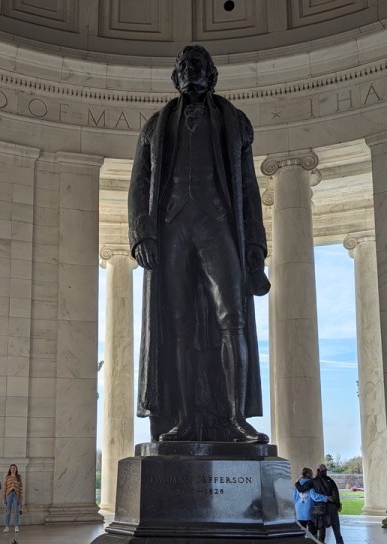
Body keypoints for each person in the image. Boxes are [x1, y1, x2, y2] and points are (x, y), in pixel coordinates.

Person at [128, 44, 269, 444]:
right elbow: (138, 184)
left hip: (218, 226)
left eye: (198, 64)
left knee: (232, 319)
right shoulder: (155, 125)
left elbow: (248, 187)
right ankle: (185, 419)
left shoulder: (234, 122)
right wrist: (141, 232)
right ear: (176, 76)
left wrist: (255, 247)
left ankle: (234, 418)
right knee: (178, 327)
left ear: (211, 74)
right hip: (171, 229)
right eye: (184, 65)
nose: (190, 70)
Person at [312, 464, 345, 544]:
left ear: (317, 471)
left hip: (320, 508)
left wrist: (298, 482)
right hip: (331, 508)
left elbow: (302, 488)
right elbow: (335, 494)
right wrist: (338, 505)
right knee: (336, 530)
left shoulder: (313, 481)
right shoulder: (330, 481)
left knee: (321, 531)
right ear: (325, 471)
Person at [293, 467, 315, 532]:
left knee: (301, 532)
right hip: (309, 510)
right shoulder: (312, 484)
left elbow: (294, 497)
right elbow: (314, 496)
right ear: (310, 474)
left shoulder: (297, 484)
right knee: (312, 532)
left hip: (299, 510)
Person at [2, 464, 23, 533]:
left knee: (16, 511)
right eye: (11, 468)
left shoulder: (18, 477)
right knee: (8, 511)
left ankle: (16, 526)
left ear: (16, 469)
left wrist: (21, 497)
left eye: (14, 468)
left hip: (16, 495)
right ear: (10, 469)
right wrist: (4, 497)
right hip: (9, 494)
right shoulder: (7, 477)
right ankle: (7, 527)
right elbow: (5, 487)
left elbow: (21, 488)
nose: (13, 469)